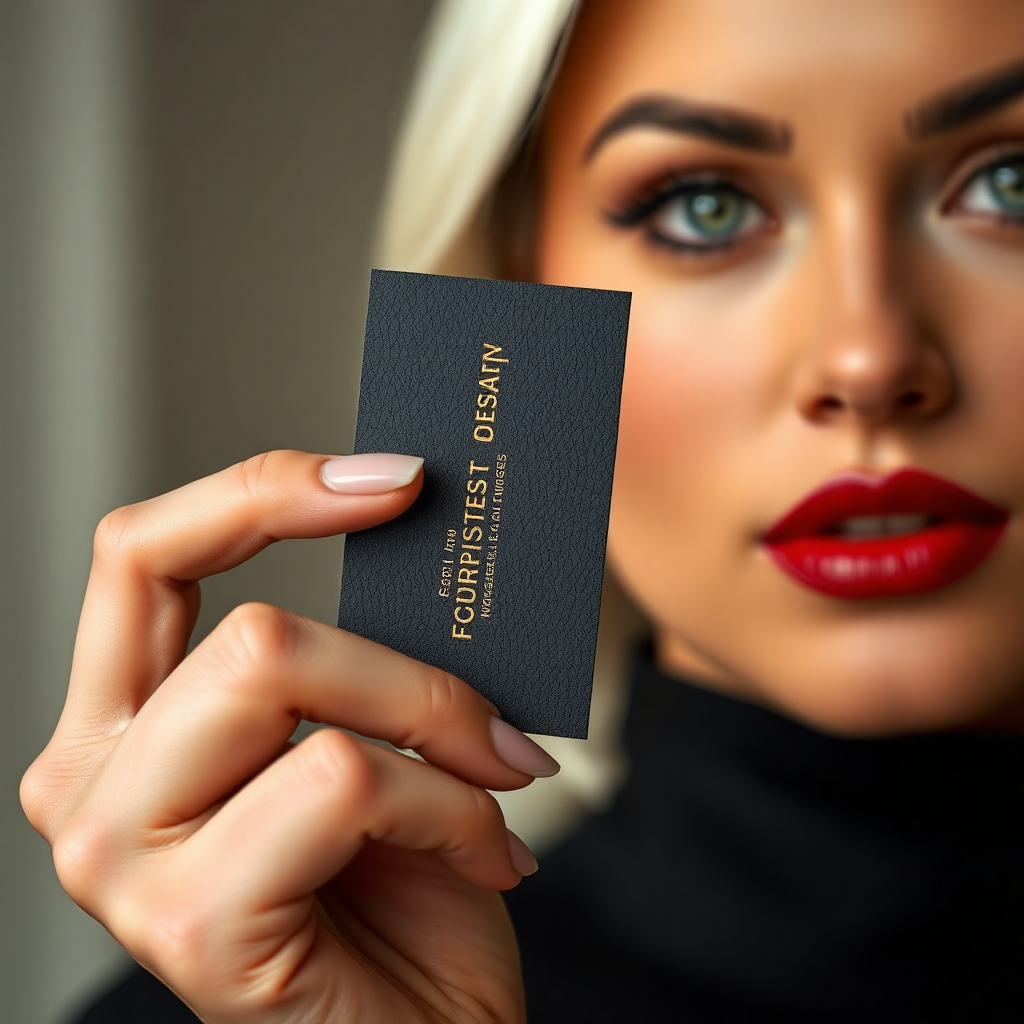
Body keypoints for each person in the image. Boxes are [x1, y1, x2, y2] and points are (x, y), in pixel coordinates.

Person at [22, 0, 1024, 1021]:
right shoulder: (286, 998)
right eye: (704, 206)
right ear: (517, 291)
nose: (868, 359)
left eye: (1010, 185)